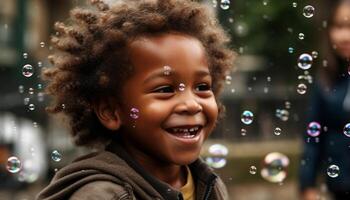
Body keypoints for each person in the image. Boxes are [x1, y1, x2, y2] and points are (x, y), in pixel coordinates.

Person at [36, 0, 235, 199]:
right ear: (110, 111)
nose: (192, 104)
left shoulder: (208, 183)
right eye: (165, 89)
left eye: (202, 87)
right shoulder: (102, 195)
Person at [299, 1, 350, 200]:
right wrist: (307, 184)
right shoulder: (326, 81)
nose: (344, 36)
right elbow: (313, 137)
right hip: (340, 187)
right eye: (338, 26)